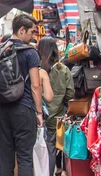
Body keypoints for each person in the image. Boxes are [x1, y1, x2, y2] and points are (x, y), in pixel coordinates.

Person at [0, 14, 43, 176]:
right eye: (32, 32)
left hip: (1, 109)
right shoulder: (30, 53)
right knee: (24, 158)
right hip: (24, 109)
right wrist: (39, 112)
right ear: (22, 30)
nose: (33, 36)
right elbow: (36, 85)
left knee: (5, 158)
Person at [38, 37, 74, 176]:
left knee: (39, 150)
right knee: (53, 150)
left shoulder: (37, 69)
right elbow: (70, 93)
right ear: (55, 50)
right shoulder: (63, 69)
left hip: (39, 117)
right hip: (58, 117)